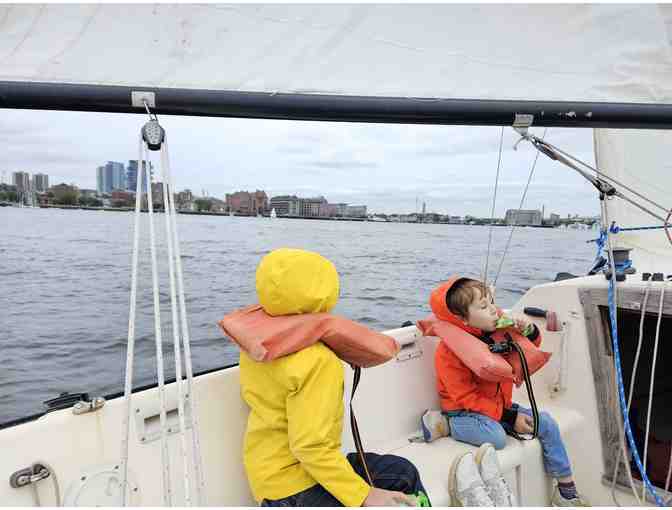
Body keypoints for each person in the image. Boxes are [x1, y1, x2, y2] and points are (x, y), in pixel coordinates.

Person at [236, 248, 429, 507]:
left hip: (267, 477)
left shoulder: (260, 344)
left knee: (399, 468)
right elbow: (310, 447)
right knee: (403, 477)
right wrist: (364, 495)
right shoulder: (316, 361)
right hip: (297, 488)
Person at [421, 276, 588, 507]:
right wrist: (511, 418)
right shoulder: (448, 353)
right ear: (462, 319)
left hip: (501, 406)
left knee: (546, 422)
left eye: (491, 302)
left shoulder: (499, 329)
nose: (493, 310)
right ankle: (446, 424)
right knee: (496, 437)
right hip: (464, 411)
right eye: (483, 307)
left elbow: (532, 346)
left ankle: (566, 492)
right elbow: (466, 397)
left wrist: (528, 329)